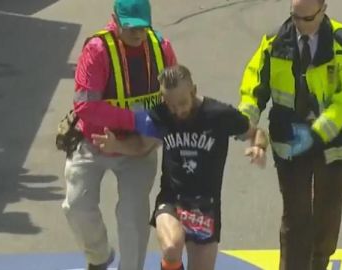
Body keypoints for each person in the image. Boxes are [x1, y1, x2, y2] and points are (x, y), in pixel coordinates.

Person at [237, 0, 342, 269]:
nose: (298, 25)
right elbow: (255, 82)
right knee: (296, 216)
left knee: (327, 210)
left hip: (333, 143)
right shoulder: (275, 41)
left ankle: (319, 261)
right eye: (294, 17)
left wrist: (316, 132)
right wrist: (246, 119)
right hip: (290, 142)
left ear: (323, 10)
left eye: (305, 19)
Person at [91, 65, 268, 270]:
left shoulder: (219, 115)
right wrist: (117, 146)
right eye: (171, 105)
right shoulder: (162, 114)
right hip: (172, 199)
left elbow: (256, 132)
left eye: (182, 103)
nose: (178, 111)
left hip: (206, 206)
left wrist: (259, 146)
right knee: (172, 247)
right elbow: (142, 146)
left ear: (193, 90)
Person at [61, 0, 177, 269]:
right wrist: (136, 119)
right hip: (94, 142)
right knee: (76, 206)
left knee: (133, 218)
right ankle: (99, 257)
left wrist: (145, 136)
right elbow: (86, 105)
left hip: (140, 145)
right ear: (115, 20)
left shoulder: (162, 48)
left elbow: (175, 97)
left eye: (142, 27)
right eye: (130, 27)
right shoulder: (97, 50)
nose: (137, 34)